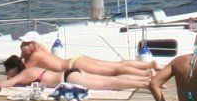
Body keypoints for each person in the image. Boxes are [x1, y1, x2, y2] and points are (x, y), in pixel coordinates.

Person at [11, 33, 158, 79]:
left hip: (73, 65)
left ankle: (145, 73)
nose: (22, 46)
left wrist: (21, 56)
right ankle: (149, 65)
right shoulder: (41, 51)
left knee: (114, 71)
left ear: (31, 45)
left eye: (24, 44)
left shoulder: (35, 56)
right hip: (76, 59)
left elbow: (22, 73)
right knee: (116, 65)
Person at [0, 54, 149, 91]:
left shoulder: (24, 74)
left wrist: (7, 79)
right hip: (71, 72)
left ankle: (145, 84)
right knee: (109, 78)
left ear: (13, 69)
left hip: (69, 77)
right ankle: (144, 78)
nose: (8, 73)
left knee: (109, 83)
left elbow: (3, 85)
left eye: (8, 70)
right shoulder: (30, 70)